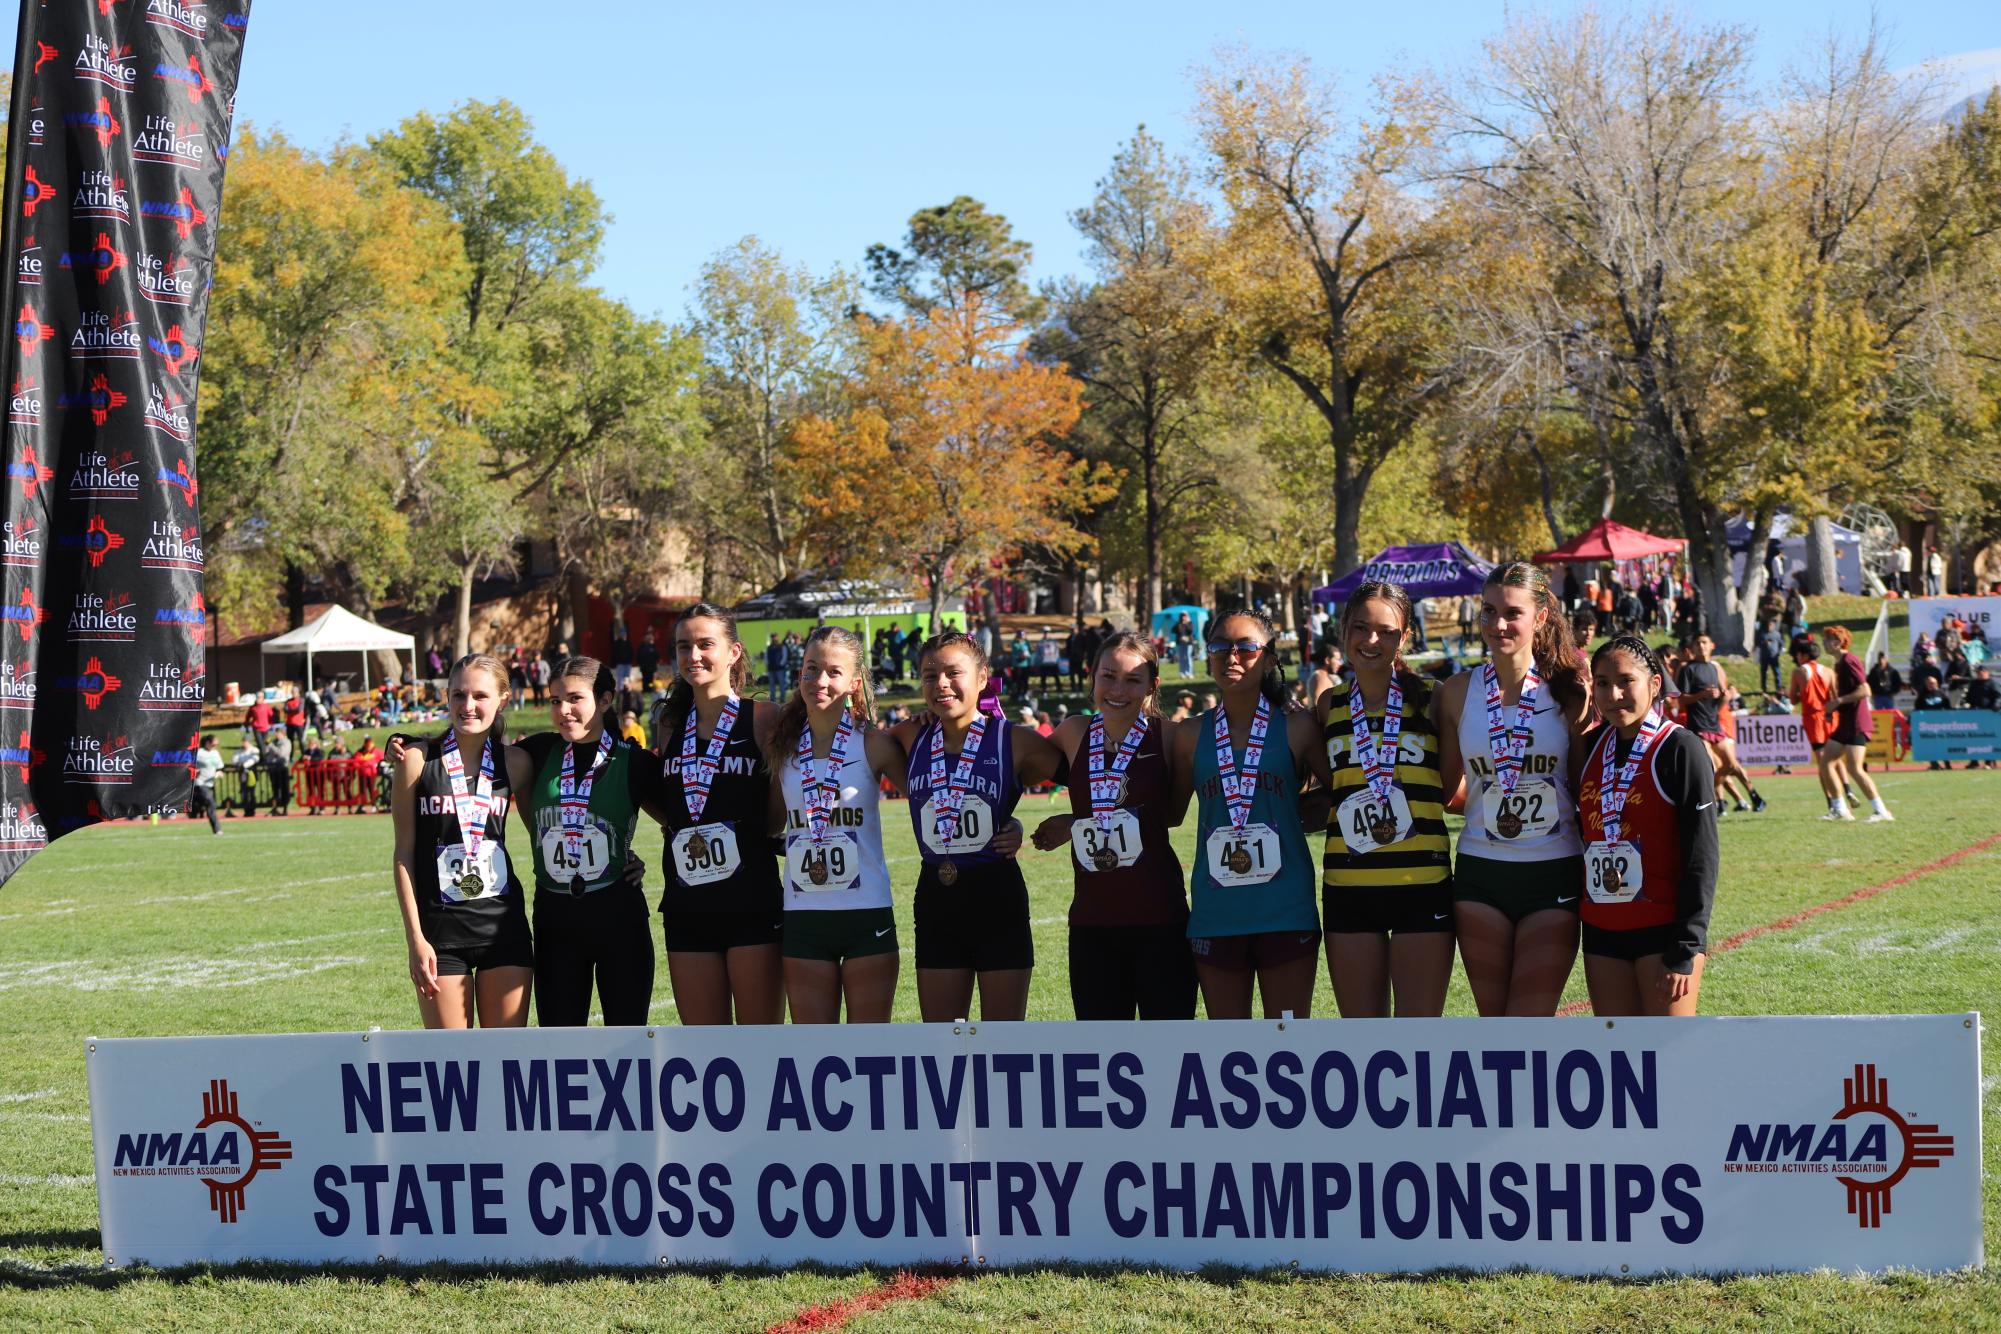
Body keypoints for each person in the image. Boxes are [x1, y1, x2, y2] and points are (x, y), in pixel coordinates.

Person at [1434, 561, 1590, 1017]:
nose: (1497, 624)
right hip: (1481, 871)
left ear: (1540, 617)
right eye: (1487, 611)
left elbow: (1583, 790)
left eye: (1512, 612)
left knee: (1530, 1022)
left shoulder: (1570, 692)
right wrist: (1489, 809)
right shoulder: (1457, 692)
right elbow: (1447, 792)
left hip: (1553, 869)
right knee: (1494, 1024)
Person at [887, 631, 1061, 1024]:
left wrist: (1054, 822)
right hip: (936, 898)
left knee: (1003, 1043)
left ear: (983, 677)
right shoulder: (907, 735)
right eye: (930, 675)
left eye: (953, 672)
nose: (941, 684)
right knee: (942, 1041)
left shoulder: (1016, 741)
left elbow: (1086, 781)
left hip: (997, 897)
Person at [1170, 608, 1329, 1020]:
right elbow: (1167, 813)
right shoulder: (1190, 735)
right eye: (1220, 646)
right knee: (1229, 1044)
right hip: (1216, 911)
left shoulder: (1299, 729)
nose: (1231, 656)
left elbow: (1341, 793)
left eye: (1246, 647)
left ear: (1270, 658)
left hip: (1285, 906)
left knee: (1288, 1038)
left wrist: (1306, 813)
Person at [1030, 632, 1197, 1020]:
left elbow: (1171, 816)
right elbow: (1014, 762)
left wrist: (1083, 821)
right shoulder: (1073, 732)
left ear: (1152, 685)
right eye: (1108, 676)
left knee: (1169, 1046)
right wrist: (1074, 822)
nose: (1117, 689)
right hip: (1092, 921)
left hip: (1160, 916)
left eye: (1132, 680)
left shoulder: (1170, 737)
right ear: (1092, 677)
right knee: (1102, 1051)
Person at [1315, 582, 1460, 1019]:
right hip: (1348, 885)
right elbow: (1333, 785)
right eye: (1360, 627)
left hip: (1421, 885)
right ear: (1344, 630)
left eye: (1386, 631)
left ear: (1406, 637)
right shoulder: (1328, 704)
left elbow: (1449, 787)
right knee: (1363, 1040)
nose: (1371, 641)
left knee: (1418, 1036)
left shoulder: (1436, 699)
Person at [509, 656, 665, 1026]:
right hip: (555, 918)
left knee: (626, 1045)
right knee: (561, 1048)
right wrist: (415, 744)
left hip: (618, 916)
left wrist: (632, 856)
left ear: (606, 699)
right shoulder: (539, 751)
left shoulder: (634, 761)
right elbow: (471, 754)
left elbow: (683, 820)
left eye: (575, 698)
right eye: (554, 700)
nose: (563, 710)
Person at [656, 603, 786, 1026]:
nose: (693, 655)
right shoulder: (670, 723)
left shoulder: (765, 718)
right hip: (686, 904)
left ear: (733, 652)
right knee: (703, 1049)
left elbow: (775, 815)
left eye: (705, 644)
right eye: (683, 646)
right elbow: (669, 805)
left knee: (759, 1044)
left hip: (750, 900)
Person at [768, 626, 906, 1023]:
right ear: (799, 675)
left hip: (866, 912)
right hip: (803, 915)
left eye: (833, 672)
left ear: (853, 682)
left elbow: (930, 798)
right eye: (811, 669)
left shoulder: (874, 744)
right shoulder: (783, 747)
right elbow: (771, 823)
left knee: (869, 1049)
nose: (820, 681)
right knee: (815, 1052)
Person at [389, 653, 532, 1029]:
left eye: (480, 696)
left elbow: (550, 832)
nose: (468, 706)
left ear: (503, 698)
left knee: (507, 1059)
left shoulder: (517, 764)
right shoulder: (416, 760)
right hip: (440, 936)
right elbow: (403, 853)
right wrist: (415, 939)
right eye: (458, 695)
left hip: (504, 931)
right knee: (453, 1064)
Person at [1579, 635, 1719, 1017]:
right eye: (1603, 683)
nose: (1614, 694)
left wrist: (1687, 945)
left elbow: (1701, 854)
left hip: (1663, 932)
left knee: (1668, 1062)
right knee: (1621, 1061)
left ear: (1654, 684)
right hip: (1601, 931)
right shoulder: (1589, 749)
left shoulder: (1680, 748)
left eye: (1626, 681)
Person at [1676, 634, 1765, 814]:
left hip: (1715, 725)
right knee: (1711, 767)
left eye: (1704, 643)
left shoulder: (1715, 668)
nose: (1701, 646)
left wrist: (1725, 696)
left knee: (1732, 765)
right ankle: (1712, 802)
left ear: (1712, 645)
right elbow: (1681, 701)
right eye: (1697, 643)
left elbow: (1721, 702)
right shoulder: (1687, 669)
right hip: (1698, 726)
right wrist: (1701, 695)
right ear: (1693, 647)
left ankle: (1752, 796)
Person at [1820, 626, 1893, 822]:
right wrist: (1833, 709)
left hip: (1857, 723)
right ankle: (1840, 809)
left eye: (1827, 640)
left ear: (1837, 642)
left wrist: (1839, 702)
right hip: (1845, 723)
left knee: (1854, 768)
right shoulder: (1839, 663)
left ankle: (1881, 811)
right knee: (1826, 762)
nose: (1824, 644)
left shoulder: (1849, 660)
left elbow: (1865, 690)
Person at [1789, 635, 1845, 813]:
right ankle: (1848, 789)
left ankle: (1832, 802)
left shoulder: (1799, 672)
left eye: (1798, 655)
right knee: (1836, 757)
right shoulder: (1828, 671)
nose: (1797, 658)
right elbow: (1835, 696)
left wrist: (1800, 694)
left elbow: (1792, 699)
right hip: (1831, 716)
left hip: (1813, 718)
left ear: (1803, 655)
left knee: (1823, 762)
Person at [190, 734, 223, 834]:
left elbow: (220, 766)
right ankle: (217, 830)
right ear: (207, 743)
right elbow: (188, 764)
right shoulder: (199, 753)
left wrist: (219, 772)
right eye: (213, 744)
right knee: (211, 804)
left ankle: (193, 812)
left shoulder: (215, 753)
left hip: (210, 784)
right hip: (200, 783)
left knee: (207, 805)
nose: (214, 747)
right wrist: (194, 771)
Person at [1306, 640, 1348, 705]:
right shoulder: (1321, 677)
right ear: (1327, 660)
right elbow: (1317, 706)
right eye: (1337, 659)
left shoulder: (1323, 676)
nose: (1340, 663)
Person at [1172, 612, 1197, 679]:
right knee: (1182, 658)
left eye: (1185, 615)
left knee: (1188, 658)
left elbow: (1191, 631)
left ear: (1187, 616)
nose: (1183, 617)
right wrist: (1179, 624)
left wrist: (1186, 623)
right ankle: (1182, 673)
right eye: (1182, 616)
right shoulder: (1178, 624)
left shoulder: (1190, 623)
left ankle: (1190, 673)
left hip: (1188, 643)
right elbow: (1173, 630)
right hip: (1180, 643)